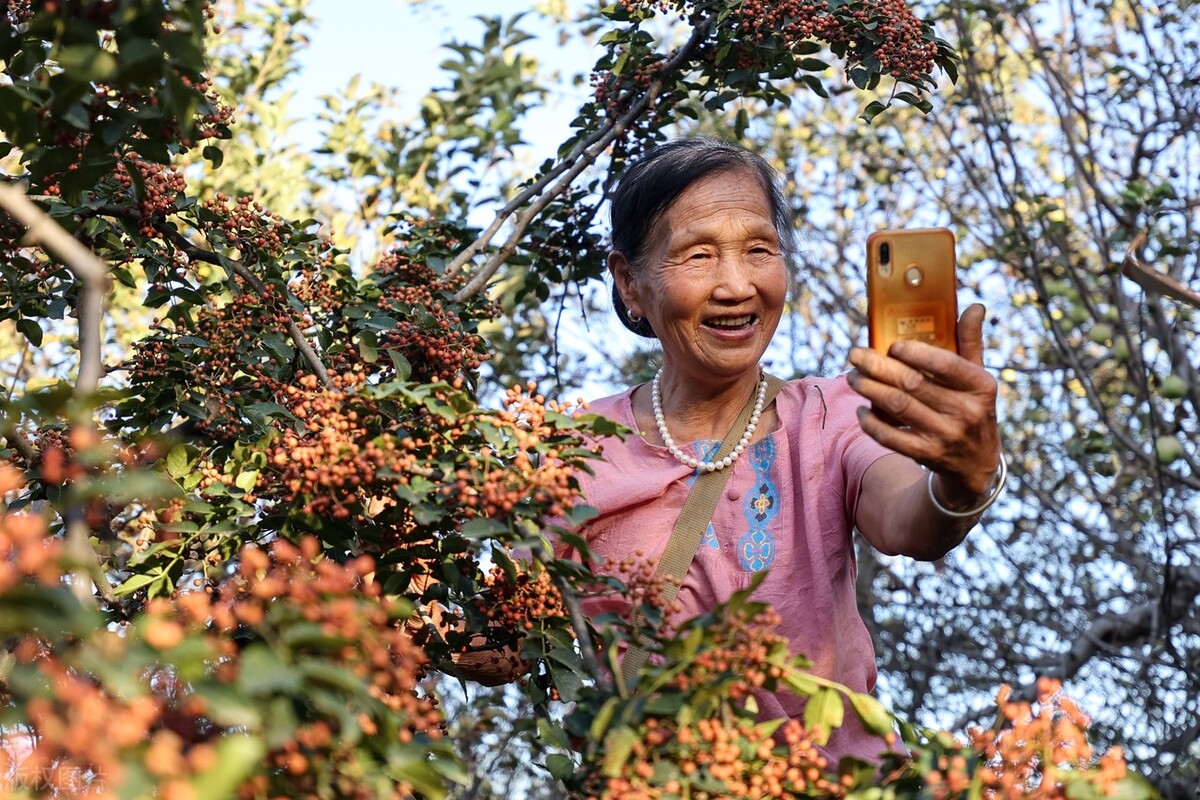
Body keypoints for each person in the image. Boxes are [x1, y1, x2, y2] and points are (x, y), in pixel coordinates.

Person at [551, 138, 1002, 761]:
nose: (737, 285)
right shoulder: (574, 449)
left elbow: (910, 522)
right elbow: (500, 633)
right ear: (631, 283)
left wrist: (964, 480)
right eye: (699, 255)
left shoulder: (831, 415)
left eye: (759, 249)